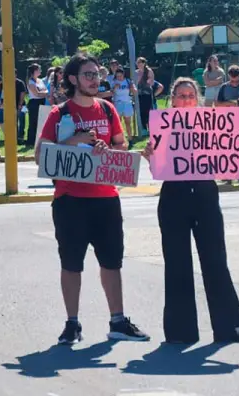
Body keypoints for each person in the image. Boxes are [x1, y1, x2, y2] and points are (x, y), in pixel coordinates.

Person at [37, 53, 149, 345]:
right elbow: (41, 153)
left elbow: (121, 145)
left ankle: (118, 320)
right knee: (71, 263)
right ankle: (72, 323)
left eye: (97, 74)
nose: (95, 79)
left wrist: (108, 149)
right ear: (73, 79)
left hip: (106, 197)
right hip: (70, 199)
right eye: (88, 75)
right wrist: (73, 141)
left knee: (112, 261)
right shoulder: (59, 113)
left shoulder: (109, 109)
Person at [142, 78, 239, 344]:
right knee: (177, 264)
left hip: (205, 196)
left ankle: (230, 326)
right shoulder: (163, 125)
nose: (186, 99)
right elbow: (158, 166)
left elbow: (231, 158)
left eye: (191, 95)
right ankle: (181, 331)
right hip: (173, 198)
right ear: (172, 98)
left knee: (215, 260)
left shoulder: (213, 125)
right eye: (181, 95)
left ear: (198, 98)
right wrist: (150, 155)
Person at [110, 68, 137, 137]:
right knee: (118, 123)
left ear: (123, 74)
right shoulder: (113, 81)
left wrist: (132, 88)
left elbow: (135, 91)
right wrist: (114, 88)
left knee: (128, 122)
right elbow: (110, 93)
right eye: (117, 76)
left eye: (120, 76)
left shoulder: (128, 81)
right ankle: (119, 139)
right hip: (117, 103)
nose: (119, 78)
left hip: (127, 103)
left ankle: (130, 139)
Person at [26, 63, 48, 146]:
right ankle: (30, 141)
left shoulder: (40, 80)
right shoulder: (30, 81)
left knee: (41, 122)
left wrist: (44, 93)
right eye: (39, 69)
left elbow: (45, 90)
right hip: (34, 103)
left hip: (42, 101)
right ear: (34, 71)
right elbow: (37, 94)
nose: (40, 71)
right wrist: (45, 93)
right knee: (33, 122)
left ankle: (39, 140)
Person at [134, 57, 156, 133]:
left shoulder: (149, 71)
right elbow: (135, 83)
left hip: (147, 93)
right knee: (141, 111)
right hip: (139, 94)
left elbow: (152, 82)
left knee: (148, 111)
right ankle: (143, 129)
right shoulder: (136, 72)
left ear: (144, 63)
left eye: (141, 62)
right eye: (138, 62)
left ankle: (151, 128)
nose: (139, 64)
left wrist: (148, 80)